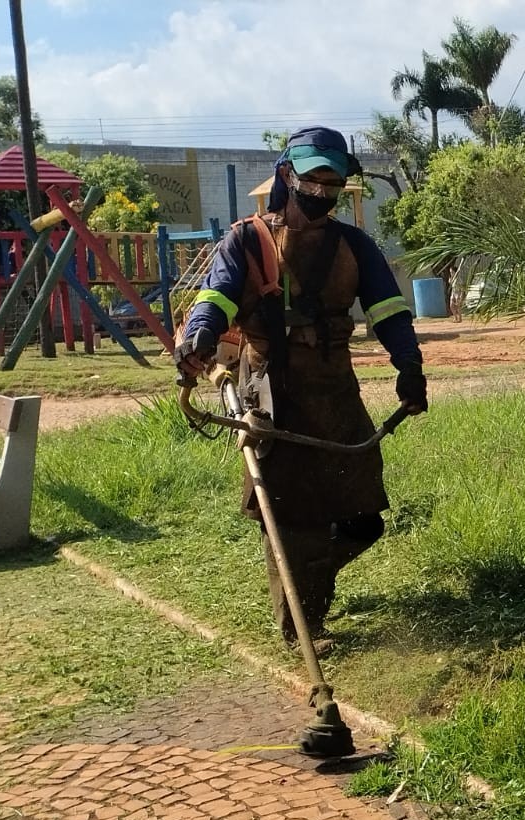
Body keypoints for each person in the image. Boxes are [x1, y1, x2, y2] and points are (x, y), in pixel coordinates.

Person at [175, 126, 427, 648]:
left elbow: (389, 311)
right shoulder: (246, 241)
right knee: (291, 516)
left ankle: (309, 577)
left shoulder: (355, 247)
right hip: (271, 393)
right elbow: (216, 297)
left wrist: (409, 365)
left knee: (363, 518)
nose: (321, 192)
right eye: (313, 180)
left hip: (336, 394)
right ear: (287, 175)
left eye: (332, 184)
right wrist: (201, 332)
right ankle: (303, 626)